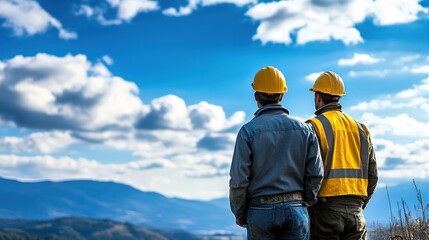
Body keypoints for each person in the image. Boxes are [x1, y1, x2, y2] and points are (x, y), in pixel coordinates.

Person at [229, 66, 324, 240]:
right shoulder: (306, 130)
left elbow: (239, 181)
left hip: (259, 211)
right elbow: (316, 174)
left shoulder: (247, 132)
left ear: (256, 96)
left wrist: (240, 213)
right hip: (296, 208)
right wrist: (305, 202)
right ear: (282, 95)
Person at [306, 71, 378, 240]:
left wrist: (310, 208)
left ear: (318, 96)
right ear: (339, 97)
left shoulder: (313, 126)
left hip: (325, 213)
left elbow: (307, 173)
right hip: (356, 213)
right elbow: (373, 176)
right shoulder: (361, 129)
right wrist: (358, 205)